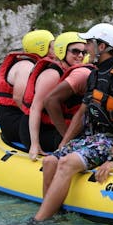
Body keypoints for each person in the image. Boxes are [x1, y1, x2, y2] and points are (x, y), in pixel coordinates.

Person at [0, 23, 113, 225]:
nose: (86, 48)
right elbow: (82, 113)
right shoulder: (95, 74)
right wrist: (64, 143)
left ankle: (38, 221)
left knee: (68, 162)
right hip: (95, 139)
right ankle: (54, 214)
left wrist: (112, 159)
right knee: (53, 160)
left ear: (102, 47)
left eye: (89, 43)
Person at [19, 32, 87, 160]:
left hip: (54, 127)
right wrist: (34, 144)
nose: (80, 56)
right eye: (75, 51)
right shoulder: (52, 74)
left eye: (83, 52)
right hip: (41, 131)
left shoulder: (72, 73)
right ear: (62, 51)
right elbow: (35, 108)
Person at [0, 30, 54, 143]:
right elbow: (18, 98)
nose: (55, 49)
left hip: (19, 119)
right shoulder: (26, 66)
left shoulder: (33, 64)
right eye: (52, 46)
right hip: (14, 122)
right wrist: (37, 120)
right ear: (41, 47)